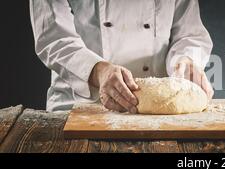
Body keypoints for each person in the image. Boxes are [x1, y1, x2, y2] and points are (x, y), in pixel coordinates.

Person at [30, 0, 214, 113]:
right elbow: (53, 38)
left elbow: (189, 34)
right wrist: (99, 71)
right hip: (79, 108)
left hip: (158, 114)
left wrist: (186, 60)